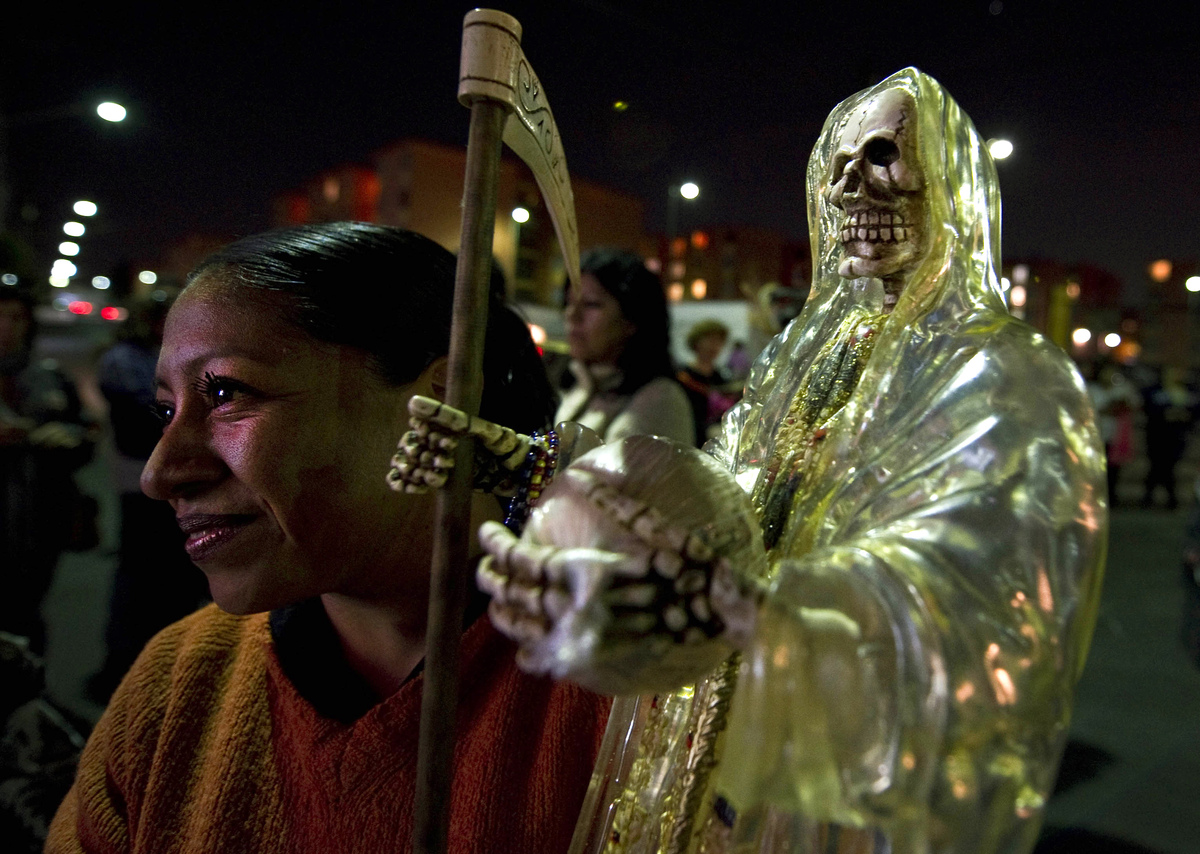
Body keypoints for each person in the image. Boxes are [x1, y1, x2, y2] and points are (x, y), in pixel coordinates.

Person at [477, 69, 1106, 854]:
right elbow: (719, 487)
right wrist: (556, 473)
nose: (850, 189)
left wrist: (758, 611)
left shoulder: (1006, 375)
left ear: (952, 187)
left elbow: (969, 584)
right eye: (835, 167)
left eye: (883, 158)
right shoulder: (805, 354)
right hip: (704, 753)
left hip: (827, 780)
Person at [46, 223, 611, 853]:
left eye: (228, 393)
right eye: (166, 410)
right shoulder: (176, 689)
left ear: (445, 394)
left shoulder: (634, 682)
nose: (161, 473)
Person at [86, 295, 209, 702]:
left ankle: (164, 673)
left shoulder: (167, 356)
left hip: (170, 482)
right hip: (140, 483)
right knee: (140, 580)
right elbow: (148, 414)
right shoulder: (126, 359)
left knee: (176, 579)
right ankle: (124, 673)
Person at [0, 288, 93, 654]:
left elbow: (83, 437)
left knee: (27, 613)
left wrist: (67, 438)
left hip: (39, 521)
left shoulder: (49, 378)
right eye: (1, 316)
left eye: (16, 317)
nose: (7, 327)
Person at [556, 248, 695, 445]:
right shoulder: (577, 386)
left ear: (631, 320)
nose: (572, 315)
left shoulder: (660, 401)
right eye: (569, 303)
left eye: (591, 304)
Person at [677, 318, 741, 446]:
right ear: (696, 342)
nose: (715, 346)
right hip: (688, 441)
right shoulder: (683, 376)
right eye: (710, 340)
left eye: (719, 342)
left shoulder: (721, 378)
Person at [1141, 364, 1197, 510]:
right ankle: (1165, 498)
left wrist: (1185, 415)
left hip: (1178, 435)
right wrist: (1164, 414)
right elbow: (1148, 408)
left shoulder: (1188, 392)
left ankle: (1160, 497)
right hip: (1157, 435)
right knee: (1158, 465)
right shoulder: (1154, 391)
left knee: (1169, 466)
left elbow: (1195, 410)